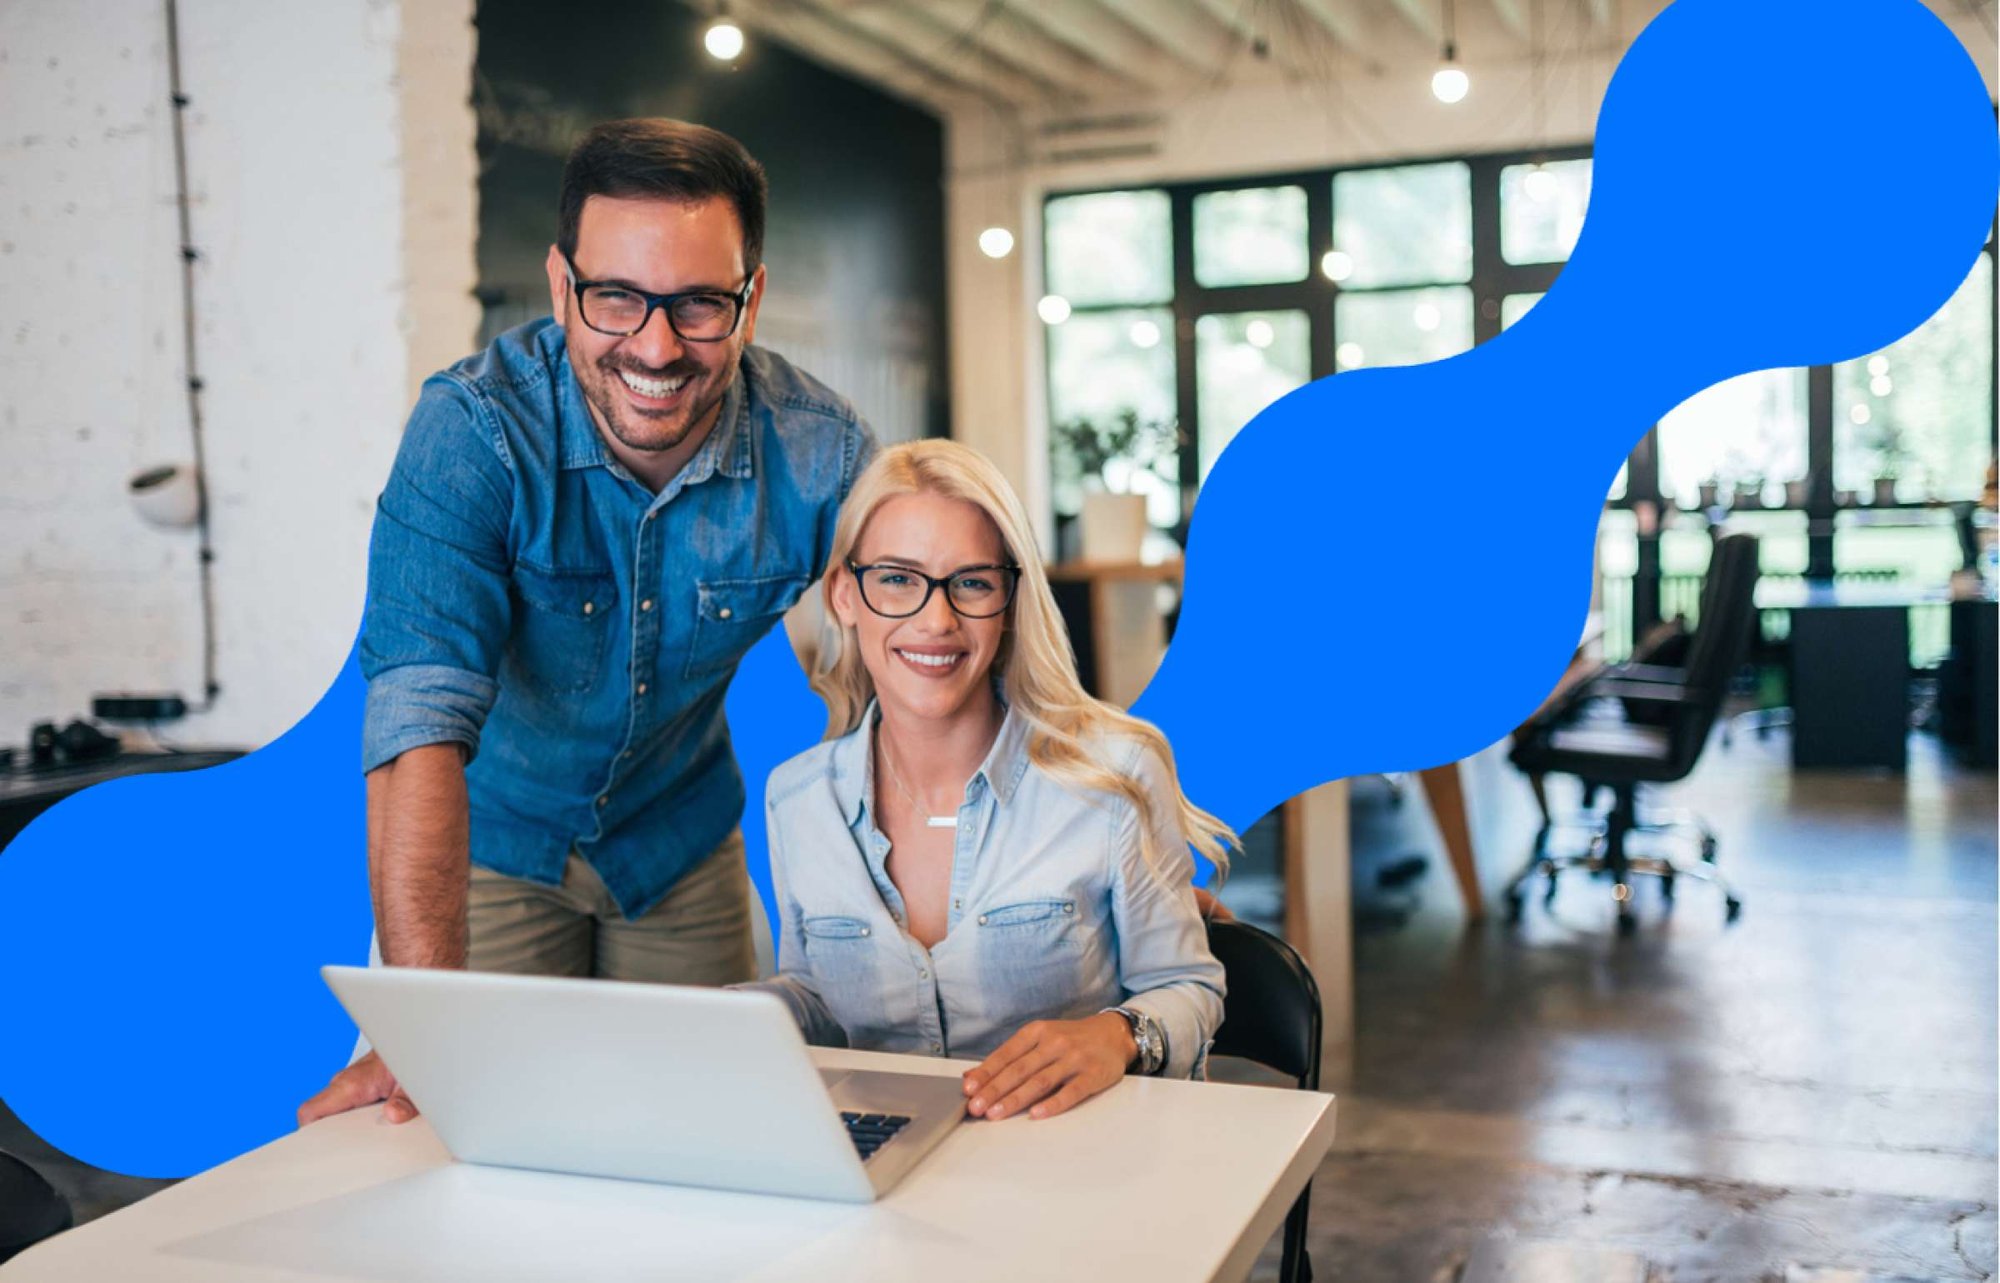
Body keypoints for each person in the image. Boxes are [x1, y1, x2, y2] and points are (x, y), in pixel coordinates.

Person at [298, 119, 875, 1126]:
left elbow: (943, 656)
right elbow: (416, 726)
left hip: (680, 841)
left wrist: (1106, 847)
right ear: (562, 285)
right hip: (490, 844)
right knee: (459, 1134)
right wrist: (422, 1021)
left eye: (699, 304)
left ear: (751, 297)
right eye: (616, 297)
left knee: (705, 1141)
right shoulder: (473, 433)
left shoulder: (820, 453)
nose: (654, 347)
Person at [742, 440, 1232, 1121]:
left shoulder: (1114, 776)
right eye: (897, 579)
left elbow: (1188, 987)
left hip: (1074, 1169)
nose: (936, 619)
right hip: (883, 1169)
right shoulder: (796, 798)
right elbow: (820, 996)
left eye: (971, 582)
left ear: (1008, 601)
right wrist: (732, 1015)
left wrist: (1118, 1035)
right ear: (844, 596)